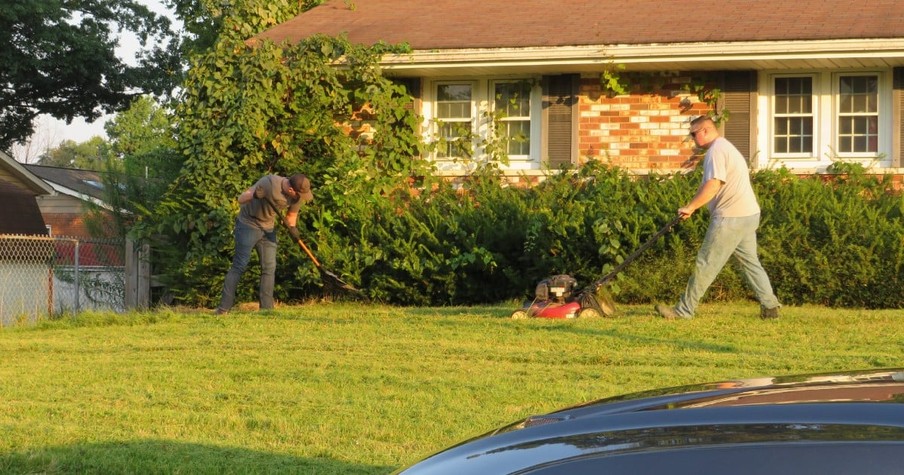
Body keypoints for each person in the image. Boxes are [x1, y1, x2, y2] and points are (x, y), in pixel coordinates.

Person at [655, 116, 781, 320]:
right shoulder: (725, 147)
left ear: (705, 131)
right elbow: (709, 185)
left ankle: (683, 311)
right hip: (747, 215)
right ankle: (770, 307)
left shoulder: (716, 151)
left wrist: (691, 207)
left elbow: (714, 185)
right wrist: (692, 206)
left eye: (693, 134)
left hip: (731, 218)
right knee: (750, 262)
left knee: (706, 263)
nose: (692, 139)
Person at [215, 174, 314, 314]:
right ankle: (223, 309)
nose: (302, 197)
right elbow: (241, 198)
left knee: (269, 267)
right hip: (248, 225)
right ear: (291, 189)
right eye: (301, 194)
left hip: (268, 228)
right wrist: (254, 194)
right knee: (240, 265)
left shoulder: (297, 197)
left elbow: (291, 218)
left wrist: (293, 229)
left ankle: (266, 310)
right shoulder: (269, 183)